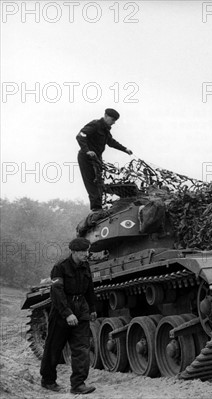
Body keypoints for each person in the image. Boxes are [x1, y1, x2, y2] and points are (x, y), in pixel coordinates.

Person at [40, 238, 97, 395]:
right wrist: (68, 313)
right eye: (83, 252)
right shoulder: (60, 267)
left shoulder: (85, 266)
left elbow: (90, 288)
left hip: (81, 308)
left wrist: (92, 308)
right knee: (54, 347)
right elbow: (56, 293)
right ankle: (48, 380)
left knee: (82, 348)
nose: (86, 254)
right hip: (62, 311)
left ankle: (78, 384)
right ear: (73, 252)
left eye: (87, 251)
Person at [76, 108, 133, 212]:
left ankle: (100, 205)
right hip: (86, 158)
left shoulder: (106, 130)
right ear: (105, 116)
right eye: (112, 120)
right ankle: (96, 208)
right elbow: (80, 136)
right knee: (91, 182)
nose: (114, 123)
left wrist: (125, 149)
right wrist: (87, 150)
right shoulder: (95, 125)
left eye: (115, 121)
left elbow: (111, 142)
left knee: (99, 182)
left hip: (96, 160)